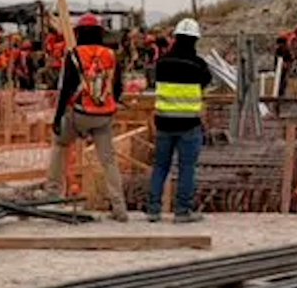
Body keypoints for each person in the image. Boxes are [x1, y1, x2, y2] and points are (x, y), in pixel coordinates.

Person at [48, 14, 128, 221]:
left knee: (60, 146)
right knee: (108, 160)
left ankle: (53, 195)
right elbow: (118, 86)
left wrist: (57, 119)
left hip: (80, 113)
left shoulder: (74, 54)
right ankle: (119, 207)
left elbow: (65, 89)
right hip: (104, 115)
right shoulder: (110, 55)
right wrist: (111, 104)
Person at [146, 18, 213, 223]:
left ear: (175, 38)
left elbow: (154, 81)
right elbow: (206, 82)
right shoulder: (198, 64)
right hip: (189, 125)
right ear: (195, 40)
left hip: (164, 123)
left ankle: (154, 210)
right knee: (186, 168)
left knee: (160, 166)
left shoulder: (162, 63)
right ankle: (182, 211)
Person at [275, 26, 297, 96]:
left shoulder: (291, 36)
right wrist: (293, 55)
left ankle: (281, 91)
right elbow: (290, 46)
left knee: (283, 77)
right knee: (284, 77)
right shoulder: (293, 37)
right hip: (285, 59)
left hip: (284, 59)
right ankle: (281, 92)